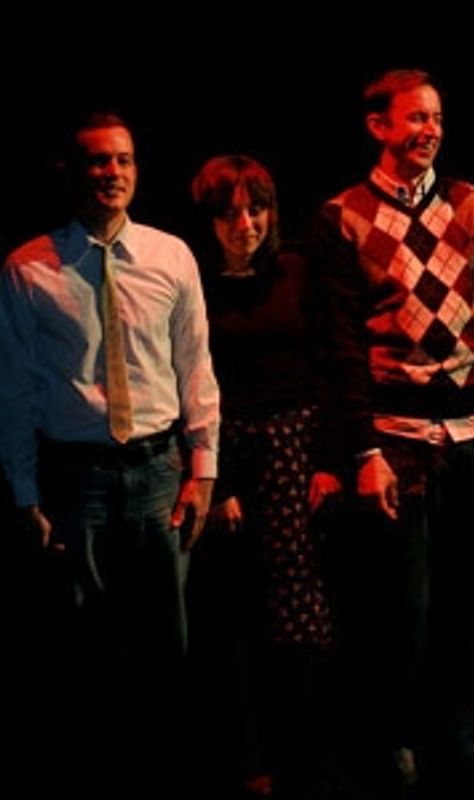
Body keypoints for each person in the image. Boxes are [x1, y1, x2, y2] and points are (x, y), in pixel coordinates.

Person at [311, 68, 474, 785]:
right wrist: (362, 449)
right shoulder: (342, 215)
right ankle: (399, 740)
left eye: (436, 117)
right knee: (403, 606)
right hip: (398, 435)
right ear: (378, 127)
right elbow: (339, 345)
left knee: (472, 601)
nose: (429, 129)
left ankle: (462, 736)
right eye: (415, 118)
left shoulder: (471, 204)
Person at [0, 112, 219, 794]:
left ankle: (169, 770)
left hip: (157, 469)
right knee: (87, 644)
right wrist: (24, 492)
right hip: (77, 474)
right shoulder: (29, 268)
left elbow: (195, 369)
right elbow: (17, 388)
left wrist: (203, 469)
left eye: (123, 160)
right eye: (98, 161)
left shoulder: (171, 256)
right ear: (72, 171)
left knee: (169, 642)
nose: (113, 173)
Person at [188, 154, 339, 796]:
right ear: (210, 221)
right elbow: (187, 383)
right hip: (227, 452)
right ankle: (250, 760)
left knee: (301, 607)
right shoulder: (192, 281)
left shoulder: (296, 271)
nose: (245, 224)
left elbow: (330, 362)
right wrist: (216, 482)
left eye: (256, 209)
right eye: (229, 214)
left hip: (296, 448)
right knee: (232, 607)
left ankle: (305, 751)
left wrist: (329, 460)